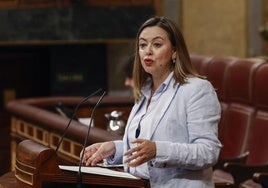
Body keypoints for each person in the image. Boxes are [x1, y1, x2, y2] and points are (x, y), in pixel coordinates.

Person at [81, 16, 222, 187]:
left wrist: (158, 150)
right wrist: (115, 149)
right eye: (142, 45)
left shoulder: (196, 89)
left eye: (157, 44)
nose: (147, 51)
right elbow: (146, 147)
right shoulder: (145, 91)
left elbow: (208, 152)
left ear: (175, 51)